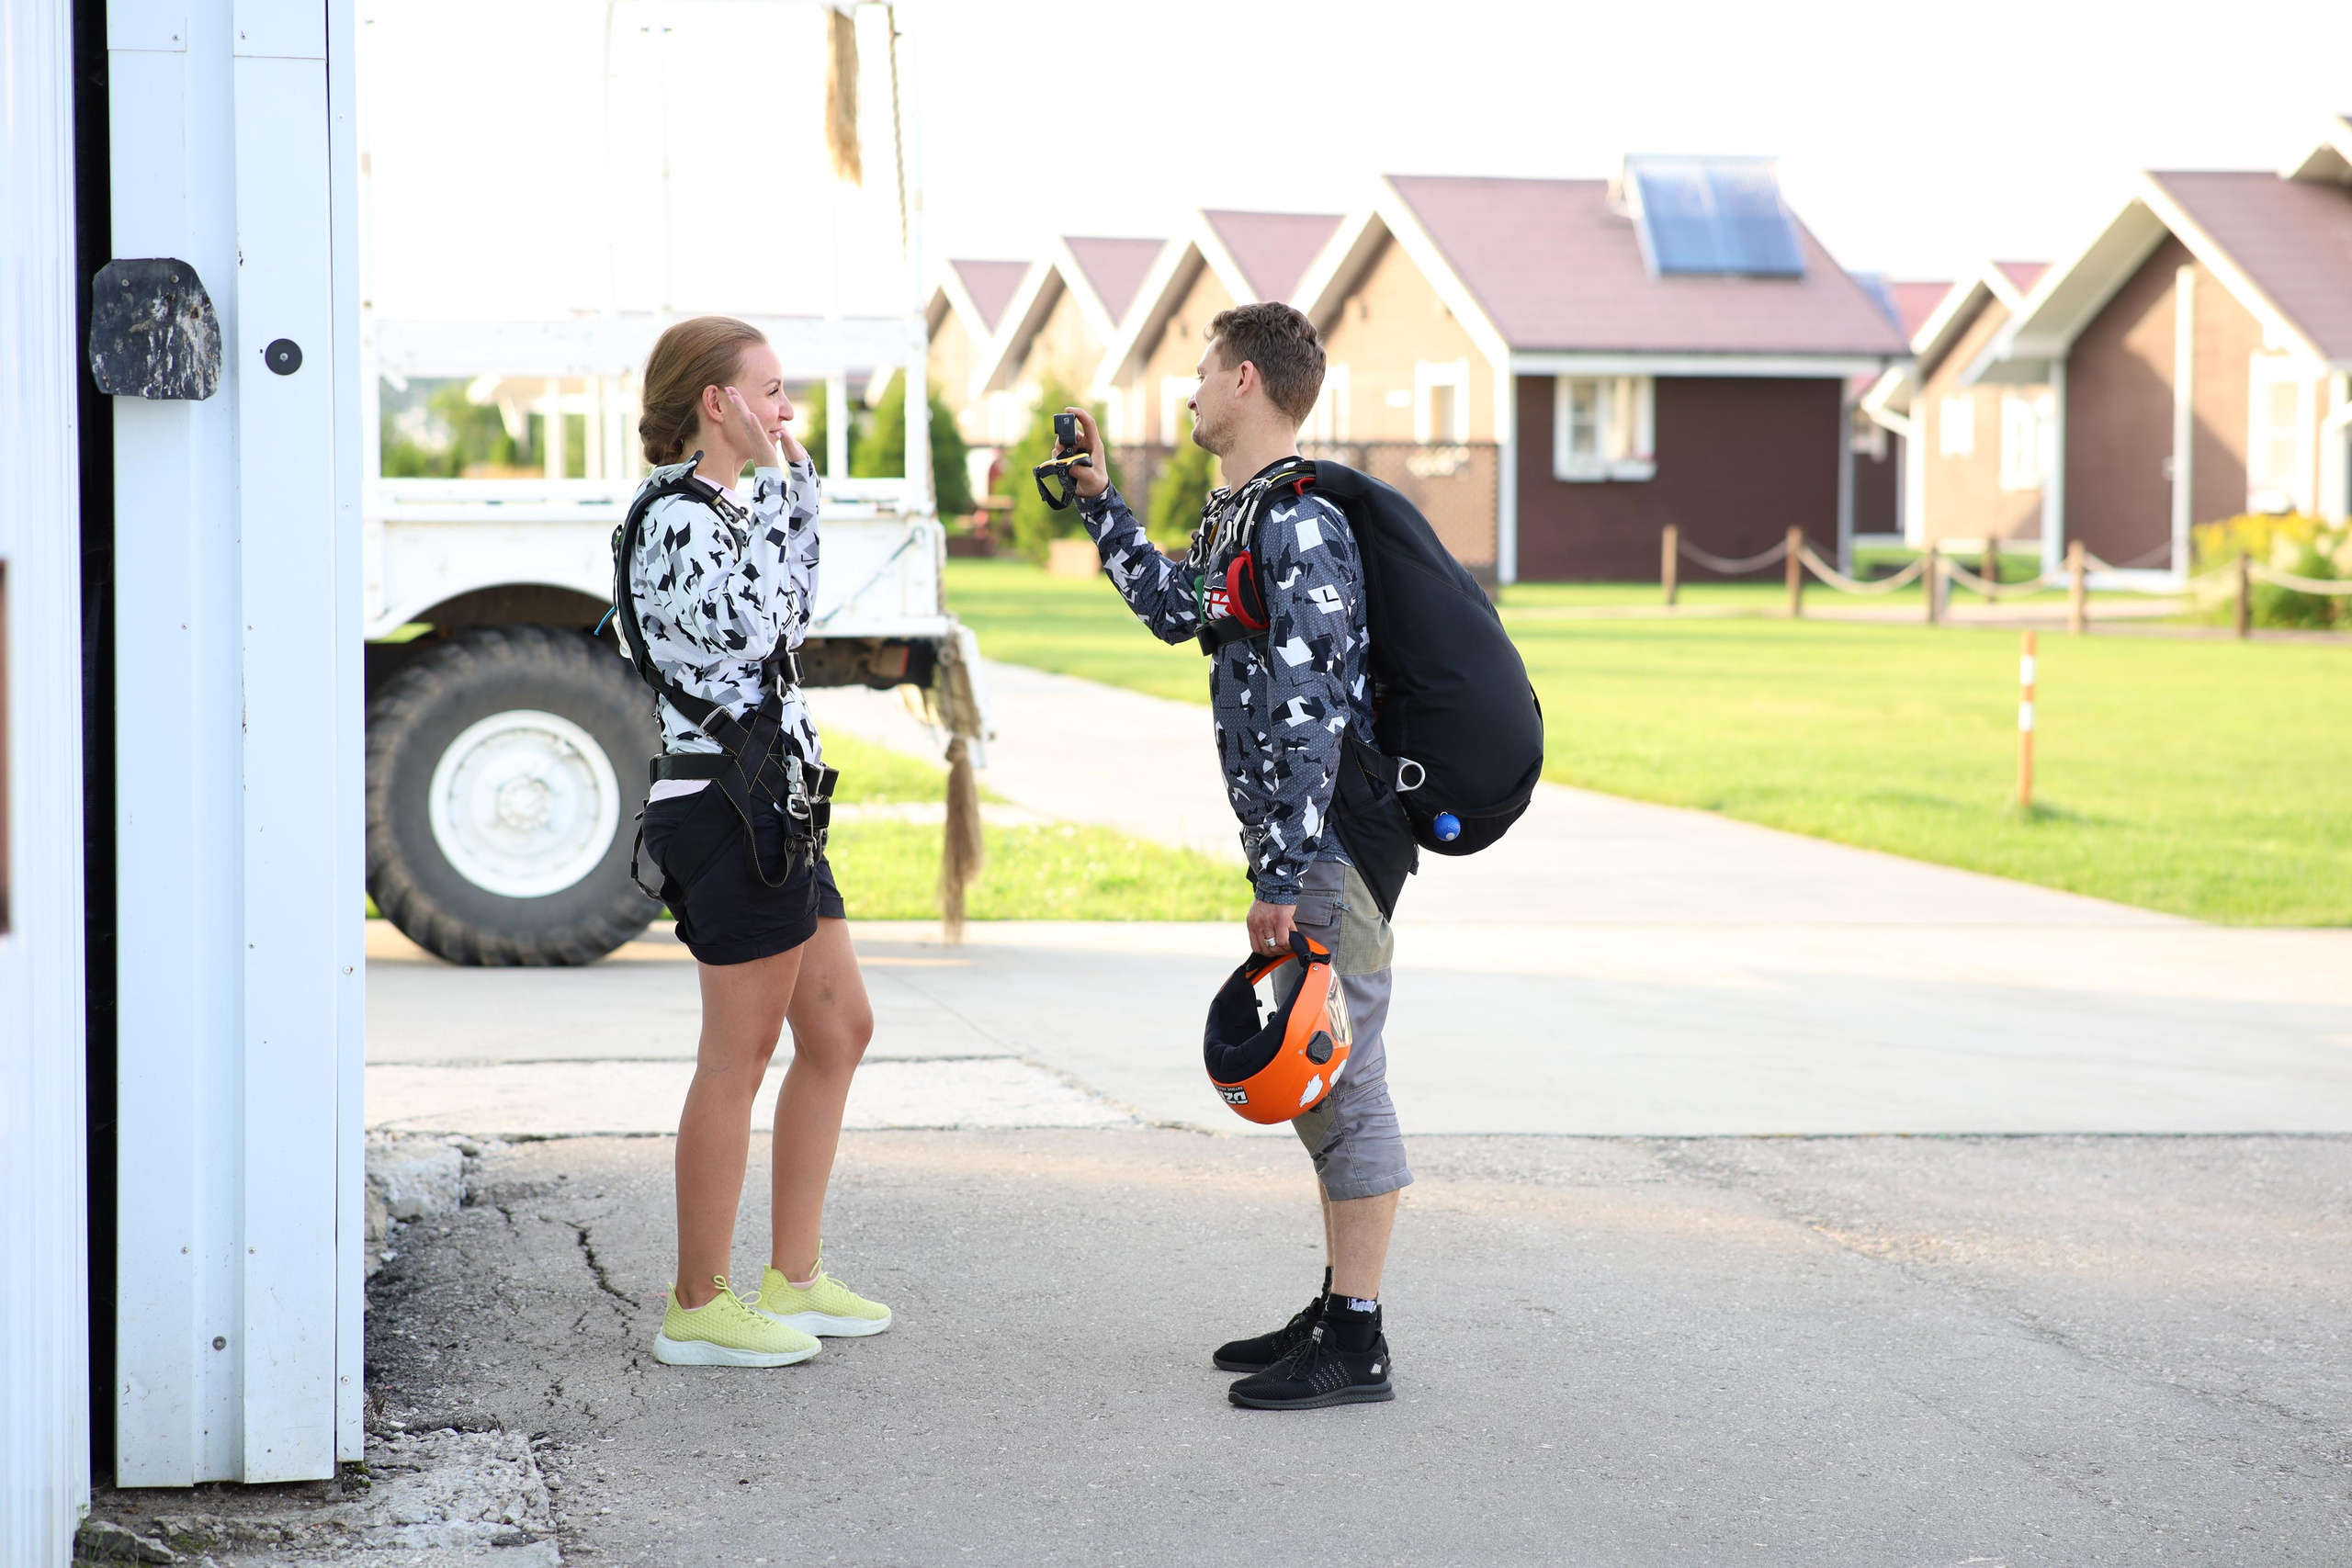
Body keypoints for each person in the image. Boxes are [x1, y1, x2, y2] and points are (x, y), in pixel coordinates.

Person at [1060, 302, 1407, 1409]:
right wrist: (1100, 505)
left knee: (1342, 1077)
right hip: (1304, 846)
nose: (1191, 390)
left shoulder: (1299, 525)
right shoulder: (1245, 515)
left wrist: (1279, 879)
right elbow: (1177, 610)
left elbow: (1308, 712)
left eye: (1202, 371)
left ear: (1248, 381)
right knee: (1316, 1076)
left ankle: (1356, 1337)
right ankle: (1336, 1303)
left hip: (1332, 847)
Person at [623, 315, 891, 1367]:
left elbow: (792, 608)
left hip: (776, 799)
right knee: (735, 1059)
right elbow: (758, 628)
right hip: (725, 808)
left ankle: (793, 1276)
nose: (787, 412)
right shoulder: (678, 519)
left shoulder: (730, 509)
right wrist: (789, 489)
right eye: (771, 391)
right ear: (716, 402)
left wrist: (789, 492)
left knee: (839, 1029)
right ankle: (699, 1301)